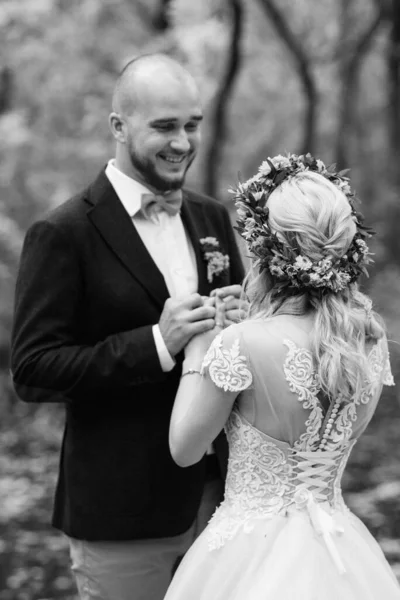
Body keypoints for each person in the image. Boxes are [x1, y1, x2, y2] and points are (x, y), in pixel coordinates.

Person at [10, 54, 245, 600]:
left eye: (192, 124)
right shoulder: (63, 232)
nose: (183, 142)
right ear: (118, 127)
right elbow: (32, 369)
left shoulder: (211, 217)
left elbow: (230, 351)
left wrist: (241, 324)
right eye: (164, 126)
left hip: (225, 501)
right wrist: (158, 343)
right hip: (122, 513)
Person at [165, 153, 400, 600]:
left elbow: (184, 449)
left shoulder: (243, 344)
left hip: (246, 555)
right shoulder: (367, 340)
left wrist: (199, 349)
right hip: (342, 553)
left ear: (266, 250)